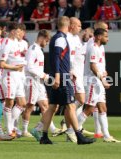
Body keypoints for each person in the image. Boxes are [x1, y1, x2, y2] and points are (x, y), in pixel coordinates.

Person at [38, 16, 95, 145]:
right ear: (68, 25)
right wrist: (58, 75)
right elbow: (57, 57)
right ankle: (78, 136)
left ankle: (44, 136)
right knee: (70, 106)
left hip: (59, 75)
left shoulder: (57, 38)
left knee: (52, 107)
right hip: (62, 77)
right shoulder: (61, 39)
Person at [83, 28, 121, 143]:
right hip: (92, 81)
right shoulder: (93, 47)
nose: (107, 39)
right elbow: (93, 66)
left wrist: (103, 74)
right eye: (106, 36)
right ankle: (72, 131)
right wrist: (103, 79)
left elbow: (99, 65)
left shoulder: (101, 47)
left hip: (98, 81)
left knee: (102, 108)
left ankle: (106, 135)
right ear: (99, 37)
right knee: (89, 108)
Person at [0, 22, 26, 138]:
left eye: (19, 30)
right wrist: (15, 67)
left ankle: (11, 126)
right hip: (10, 75)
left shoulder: (17, 42)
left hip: (18, 76)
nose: (18, 32)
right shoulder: (7, 43)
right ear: (12, 31)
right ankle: (9, 131)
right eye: (16, 30)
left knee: (22, 103)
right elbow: (2, 64)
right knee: (9, 102)